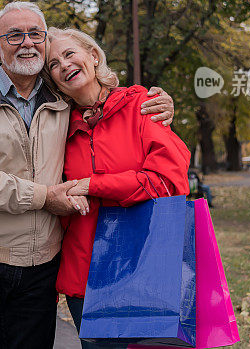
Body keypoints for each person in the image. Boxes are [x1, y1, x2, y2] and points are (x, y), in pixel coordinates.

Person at [0, 2, 176, 349]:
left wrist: (158, 101)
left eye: (36, 34)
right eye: (14, 35)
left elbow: (110, 110)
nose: (27, 43)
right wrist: (44, 197)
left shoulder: (65, 104)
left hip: (40, 267)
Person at [44, 27, 191, 349]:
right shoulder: (54, 127)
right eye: (53, 64)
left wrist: (92, 185)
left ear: (93, 57)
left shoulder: (141, 105)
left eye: (70, 54)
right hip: (87, 277)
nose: (63, 65)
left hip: (147, 264)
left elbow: (169, 181)